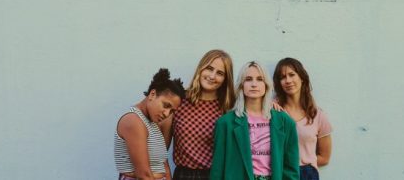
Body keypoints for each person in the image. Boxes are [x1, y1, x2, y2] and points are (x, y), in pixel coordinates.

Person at [210, 61, 299, 180]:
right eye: (248, 79)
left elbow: (291, 170)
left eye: (259, 79)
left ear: (266, 85)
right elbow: (217, 169)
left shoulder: (285, 122)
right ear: (241, 85)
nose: (254, 84)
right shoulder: (225, 123)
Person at [159, 49, 236, 180]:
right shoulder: (179, 101)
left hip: (217, 175)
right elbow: (160, 151)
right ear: (201, 68)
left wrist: (272, 105)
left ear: (225, 79)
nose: (212, 76)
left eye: (220, 73)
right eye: (209, 68)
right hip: (184, 175)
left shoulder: (229, 108)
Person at [114, 68, 186, 180]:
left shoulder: (152, 124)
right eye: (166, 105)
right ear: (152, 94)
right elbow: (144, 175)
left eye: (172, 111)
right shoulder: (134, 121)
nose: (167, 114)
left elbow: (163, 164)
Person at [273, 58, 332, 180]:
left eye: (292, 75)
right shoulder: (273, 111)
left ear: (302, 78)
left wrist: (307, 165)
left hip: (307, 174)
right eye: (282, 77)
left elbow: (325, 157)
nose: (288, 80)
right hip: (280, 172)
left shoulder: (318, 115)